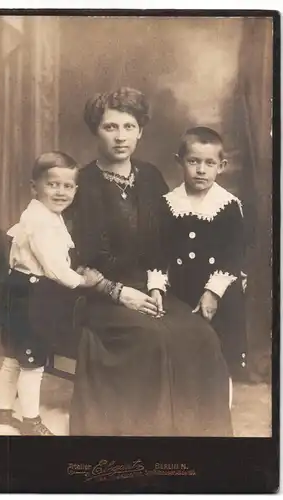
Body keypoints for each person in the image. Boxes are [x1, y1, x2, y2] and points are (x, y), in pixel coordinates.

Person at [65, 88, 233, 437]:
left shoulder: (151, 175)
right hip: (101, 295)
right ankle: (148, 440)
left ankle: (199, 439)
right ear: (96, 131)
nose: (121, 136)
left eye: (129, 126)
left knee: (199, 334)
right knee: (150, 338)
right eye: (110, 127)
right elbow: (75, 260)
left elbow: (164, 240)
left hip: (151, 286)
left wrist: (158, 285)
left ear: (141, 131)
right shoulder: (81, 183)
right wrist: (119, 292)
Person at [0, 151, 103, 436]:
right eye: (53, 184)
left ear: (76, 189)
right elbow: (55, 269)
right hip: (32, 294)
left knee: (15, 355)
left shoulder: (45, 215)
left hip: (20, 290)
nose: (61, 192)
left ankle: (2, 409)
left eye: (68, 186)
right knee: (32, 359)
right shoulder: (40, 222)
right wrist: (83, 281)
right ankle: (31, 421)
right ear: (34, 187)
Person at [164, 127, 247, 381]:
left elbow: (233, 255)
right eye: (193, 161)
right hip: (181, 290)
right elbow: (159, 249)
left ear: (221, 166)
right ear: (179, 162)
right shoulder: (168, 203)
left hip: (220, 292)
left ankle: (221, 409)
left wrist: (213, 293)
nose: (201, 170)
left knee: (221, 354)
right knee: (185, 351)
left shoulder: (228, 205)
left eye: (209, 163)